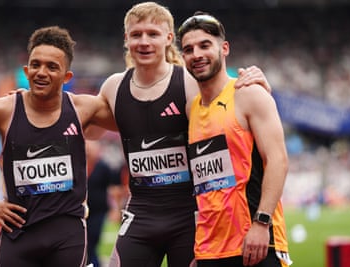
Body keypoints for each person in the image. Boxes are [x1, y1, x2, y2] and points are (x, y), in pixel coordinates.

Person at [98, 2, 272, 267]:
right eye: (136, 34)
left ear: (169, 39)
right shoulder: (114, 87)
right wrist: (24, 101)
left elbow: (227, 105)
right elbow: (77, 117)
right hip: (142, 212)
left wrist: (257, 85)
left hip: (190, 215)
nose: (144, 42)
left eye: (153, 34)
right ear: (126, 39)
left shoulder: (190, 82)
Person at [0, 26, 116, 267]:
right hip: (18, 233)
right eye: (35, 65)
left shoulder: (83, 109)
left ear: (67, 77)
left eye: (52, 67)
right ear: (26, 70)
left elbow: (136, 120)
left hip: (67, 235)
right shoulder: (2, 110)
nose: (41, 72)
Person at [178, 11, 293, 267]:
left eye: (205, 45)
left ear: (224, 48)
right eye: (188, 49)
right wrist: (202, 246)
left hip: (255, 242)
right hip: (211, 249)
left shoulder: (249, 94)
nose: (196, 54)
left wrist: (261, 224)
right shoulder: (192, 109)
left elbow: (278, 161)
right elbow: (207, 183)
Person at [86, 140, 125, 267]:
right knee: (84, 243)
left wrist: (116, 209)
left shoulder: (103, 167)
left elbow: (115, 189)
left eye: (91, 149)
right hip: (82, 212)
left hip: (98, 211)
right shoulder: (79, 166)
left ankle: (94, 263)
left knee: (92, 240)